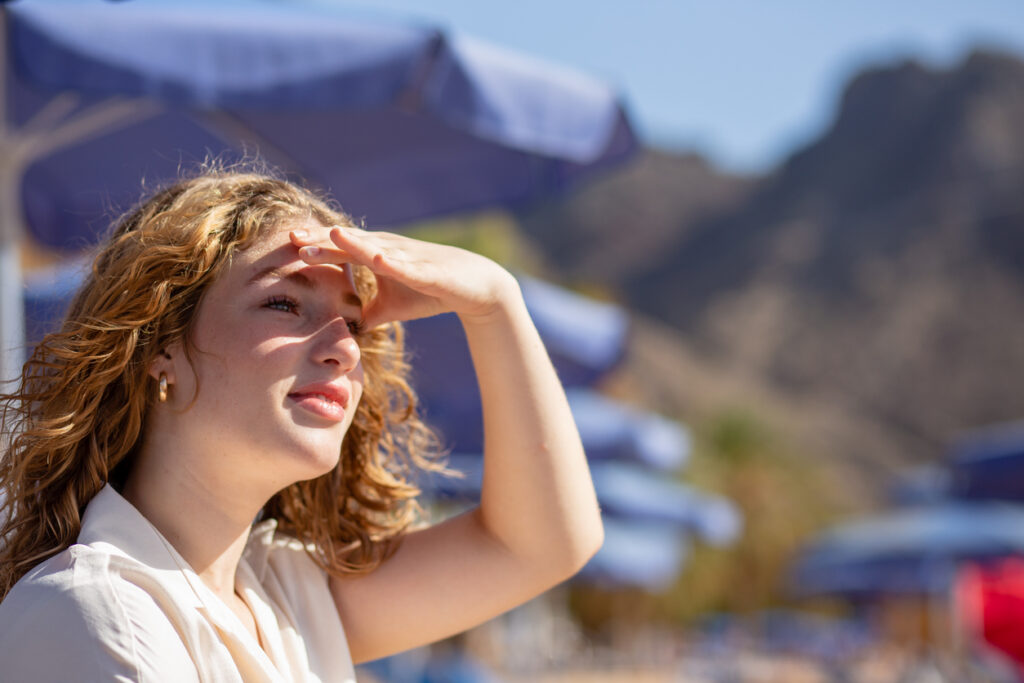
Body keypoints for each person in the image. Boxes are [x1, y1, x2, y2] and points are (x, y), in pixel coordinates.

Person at [0, 163, 603, 682]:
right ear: (162, 344)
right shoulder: (98, 615)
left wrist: (495, 303)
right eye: (285, 303)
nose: (344, 348)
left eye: (354, 324)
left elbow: (542, 544)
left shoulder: (280, 594)